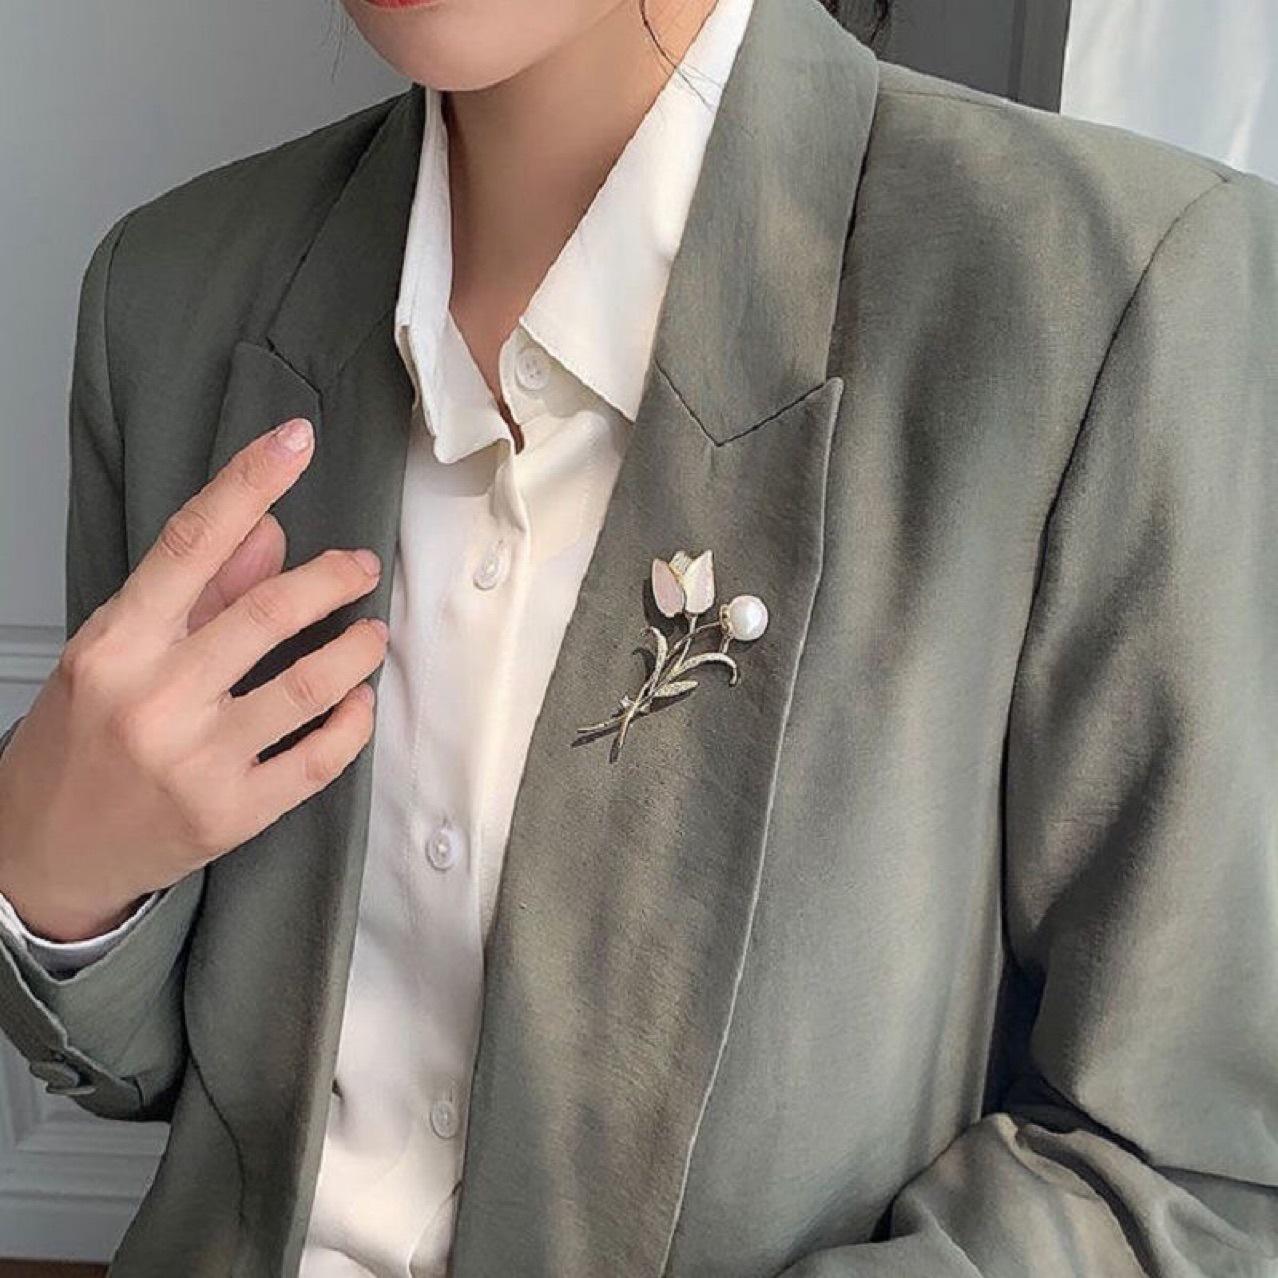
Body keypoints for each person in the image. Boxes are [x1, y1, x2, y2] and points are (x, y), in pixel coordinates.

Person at [0, 0, 1275, 1273]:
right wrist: (57, 885)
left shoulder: (1109, 295)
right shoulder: (172, 295)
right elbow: (153, 1070)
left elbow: (1188, 1180)